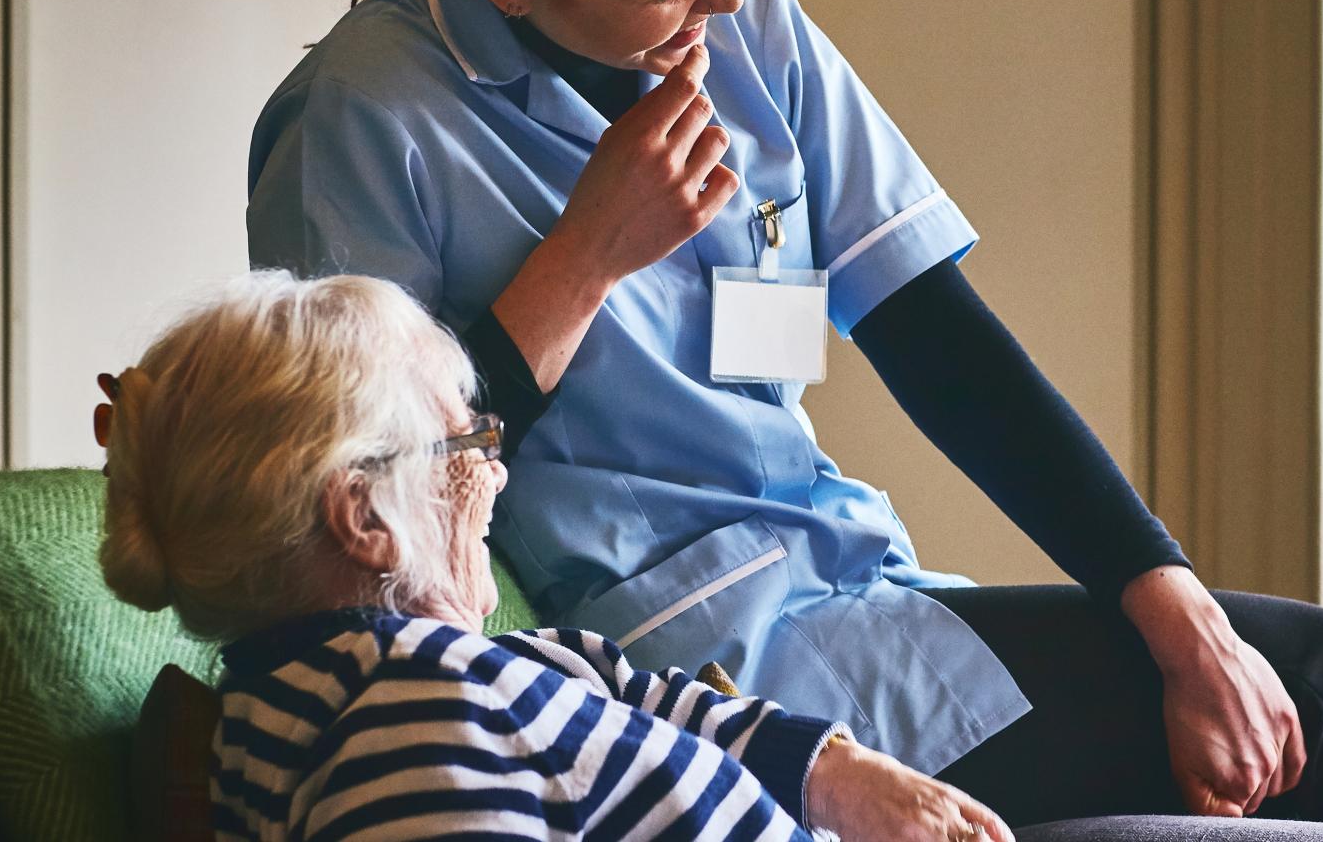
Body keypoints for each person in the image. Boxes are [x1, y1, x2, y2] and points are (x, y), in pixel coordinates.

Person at [245, 0, 1323, 831]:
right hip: (674, 665)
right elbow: (366, 501)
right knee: (1322, 678)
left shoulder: (757, 34)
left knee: (1274, 674)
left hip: (855, 584)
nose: (729, 3)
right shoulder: (360, 116)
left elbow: (944, 348)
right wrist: (584, 259)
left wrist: (1177, 607)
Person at [96, 270, 1013, 841]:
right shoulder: (409, 727)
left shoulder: (429, 677)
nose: (494, 474)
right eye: (465, 445)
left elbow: (640, 698)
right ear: (366, 518)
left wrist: (832, 775)